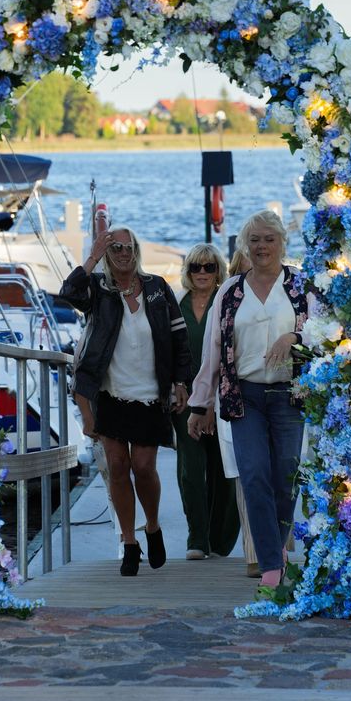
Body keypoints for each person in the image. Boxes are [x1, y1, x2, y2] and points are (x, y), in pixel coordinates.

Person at [60, 225, 191, 577]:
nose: (122, 253)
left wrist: (180, 382)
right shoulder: (98, 291)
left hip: (150, 395)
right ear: (106, 252)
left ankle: (152, 526)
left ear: (136, 250)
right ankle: (130, 543)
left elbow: (179, 340)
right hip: (110, 394)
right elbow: (68, 292)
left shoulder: (157, 288)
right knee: (118, 468)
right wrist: (91, 255)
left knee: (144, 468)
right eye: (114, 247)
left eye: (127, 246)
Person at [187, 209, 307, 589]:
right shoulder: (230, 290)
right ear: (245, 246)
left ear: (281, 243)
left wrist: (295, 339)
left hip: (290, 395)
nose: (261, 246)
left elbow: (325, 333)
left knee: (285, 479)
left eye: (269, 239)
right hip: (244, 397)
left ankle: (277, 548)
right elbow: (213, 351)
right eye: (254, 240)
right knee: (253, 476)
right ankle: (271, 566)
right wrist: (200, 403)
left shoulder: (300, 286)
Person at [173, 243, 240, 560]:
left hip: (222, 394)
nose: (202, 273)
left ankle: (220, 540)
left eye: (209, 267)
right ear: (187, 271)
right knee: (190, 468)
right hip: (183, 396)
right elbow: (164, 349)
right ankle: (197, 538)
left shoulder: (227, 302)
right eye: (195, 267)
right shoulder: (176, 303)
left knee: (222, 467)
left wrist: (215, 399)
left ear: (219, 271)